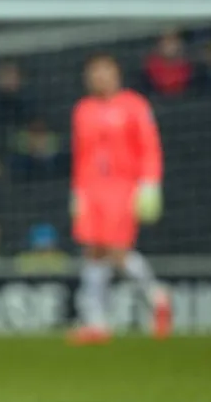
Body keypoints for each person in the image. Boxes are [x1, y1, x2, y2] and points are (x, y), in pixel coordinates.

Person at [70, 54, 171, 344]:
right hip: (91, 188)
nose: (99, 78)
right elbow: (80, 154)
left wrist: (150, 184)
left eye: (105, 72)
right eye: (94, 73)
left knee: (117, 251)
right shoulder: (83, 110)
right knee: (92, 250)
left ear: (117, 74)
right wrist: (77, 191)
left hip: (122, 186)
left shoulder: (135, 105)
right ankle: (96, 322)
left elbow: (149, 146)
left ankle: (157, 297)